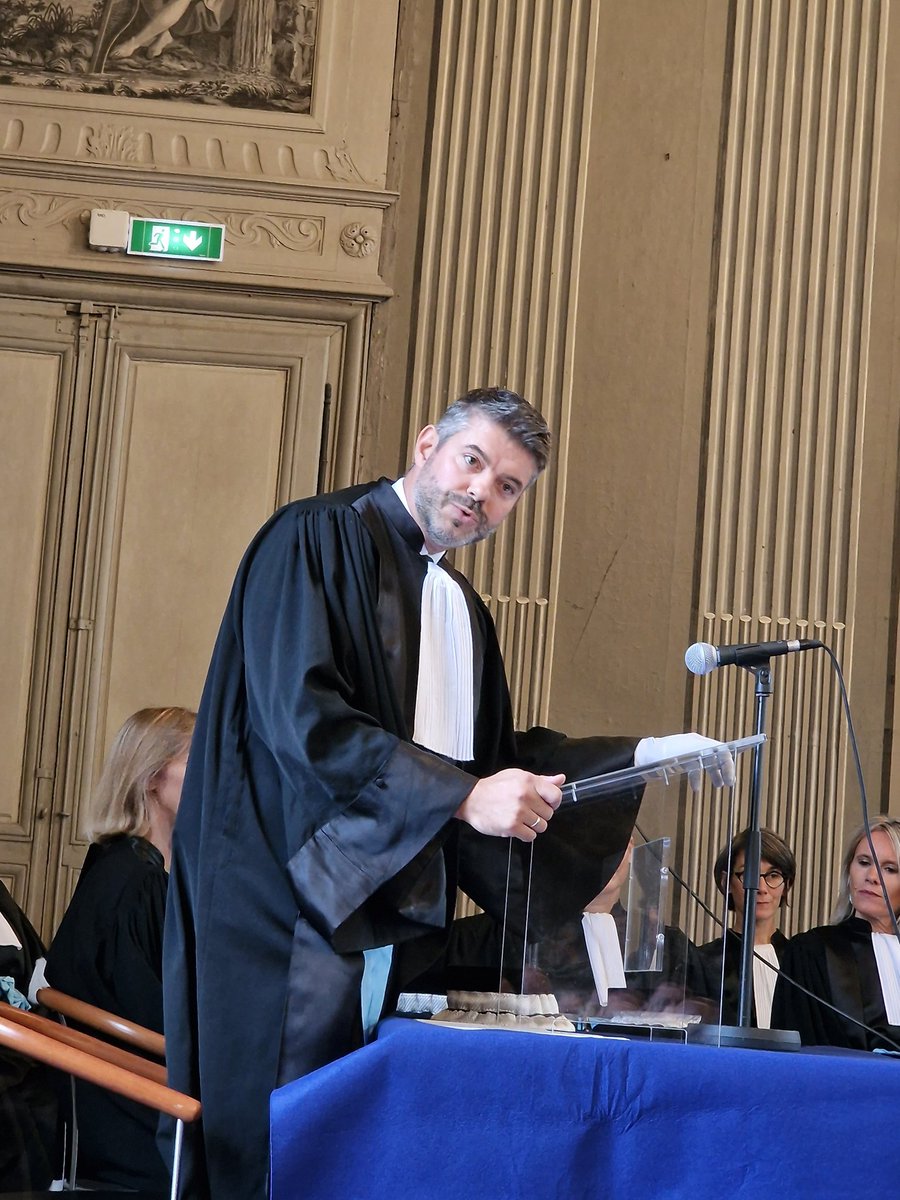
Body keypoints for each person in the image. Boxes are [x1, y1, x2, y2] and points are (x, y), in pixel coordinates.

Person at [162, 386, 734, 1200]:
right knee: (275, 1141)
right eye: (474, 461)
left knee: (351, 1152)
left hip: (384, 916)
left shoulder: (461, 606)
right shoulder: (317, 536)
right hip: (278, 905)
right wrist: (463, 799)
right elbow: (305, 720)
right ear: (429, 442)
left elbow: (492, 760)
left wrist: (641, 756)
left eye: (508, 487)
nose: (482, 492)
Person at [46, 705, 195, 1192]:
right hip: (129, 1110)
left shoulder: (119, 862)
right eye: (198, 759)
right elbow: (153, 1015)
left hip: (110, 1091)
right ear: (153, 778)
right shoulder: (135, 882)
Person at [407, 838, 706, 1020]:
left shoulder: (667, 948)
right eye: (599, 843)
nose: (612, 856)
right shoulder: (472, 941)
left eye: (622, 844)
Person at [771, 814, 900, 1050]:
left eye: (890, 869)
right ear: (848, 871)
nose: (871, 877)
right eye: (863, 862)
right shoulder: (811, 952)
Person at [696, 827, 796, 1028]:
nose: (761, 888)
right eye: (749, 874)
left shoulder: (801, 962)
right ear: (727, 883)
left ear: (786, 885)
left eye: (774, 875)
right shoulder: (704, 963)